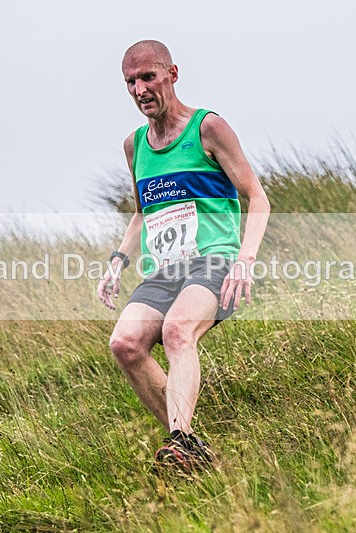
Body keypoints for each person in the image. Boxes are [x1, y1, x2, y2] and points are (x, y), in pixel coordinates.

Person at [97, 40, 270, 472]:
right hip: (165, 268)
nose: (139, 90)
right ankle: (192, 449)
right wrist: (118, 261)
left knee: (177, 330)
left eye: (147, 77)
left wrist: (245, 260)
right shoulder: (134, 146)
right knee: (125, 344)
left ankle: (180, 441)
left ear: (172, 74)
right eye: (130, 82)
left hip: (216, 260)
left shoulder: (208, 128)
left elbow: (257, 197)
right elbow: (143, 212)